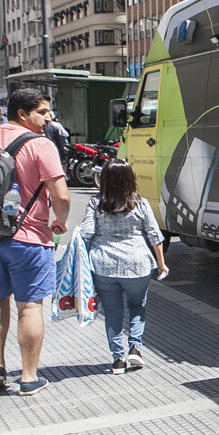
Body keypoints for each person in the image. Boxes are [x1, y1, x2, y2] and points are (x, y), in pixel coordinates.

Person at [0, 87, 70, 396]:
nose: (48, 117)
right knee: (30, 306)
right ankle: (29, 376)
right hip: (30, 237)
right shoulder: (40, 144)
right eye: (42, 112)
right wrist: (60, 220)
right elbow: (60, 194)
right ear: (22, 114)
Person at [78, 160, 168, 374]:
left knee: (112, 311)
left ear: (105, 180)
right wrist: (161, 264)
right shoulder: (141, 203)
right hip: (137, 264)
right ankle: (135, 348)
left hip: (103, 265)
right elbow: (154, 235)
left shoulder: (96, 203)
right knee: (137, 305)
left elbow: (87, 233)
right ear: (130, 178)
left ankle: (118, 359)